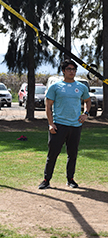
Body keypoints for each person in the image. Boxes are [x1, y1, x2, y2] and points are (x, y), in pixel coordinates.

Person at [38, 59, 91, 189]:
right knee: (52, 154)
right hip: (59, 125)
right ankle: (46, 180)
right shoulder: (55, 87)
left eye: (74, 69)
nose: (72, 72)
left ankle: (70, 179)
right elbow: (48, 106)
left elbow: (87, 101)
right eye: (69, 69)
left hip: (75, 126)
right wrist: (51, 124)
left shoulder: (81, 87)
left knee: (72, 154)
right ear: (63, 71)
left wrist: (85, 114)